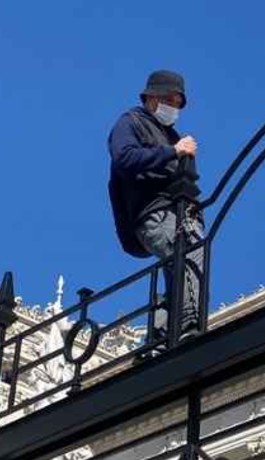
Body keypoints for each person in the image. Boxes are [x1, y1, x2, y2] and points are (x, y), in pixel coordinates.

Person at [107, 69, 205, 353]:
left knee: (179, 270)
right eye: (169, 101)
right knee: (190, 253)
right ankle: (188, 327)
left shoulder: (171, 134)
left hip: (177, 212)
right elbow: (123, 157)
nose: (173, 108)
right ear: (152, 98)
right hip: (154, 212)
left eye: (177, 104)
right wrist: (173, 152)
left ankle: (158, 339)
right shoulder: (131, 122)